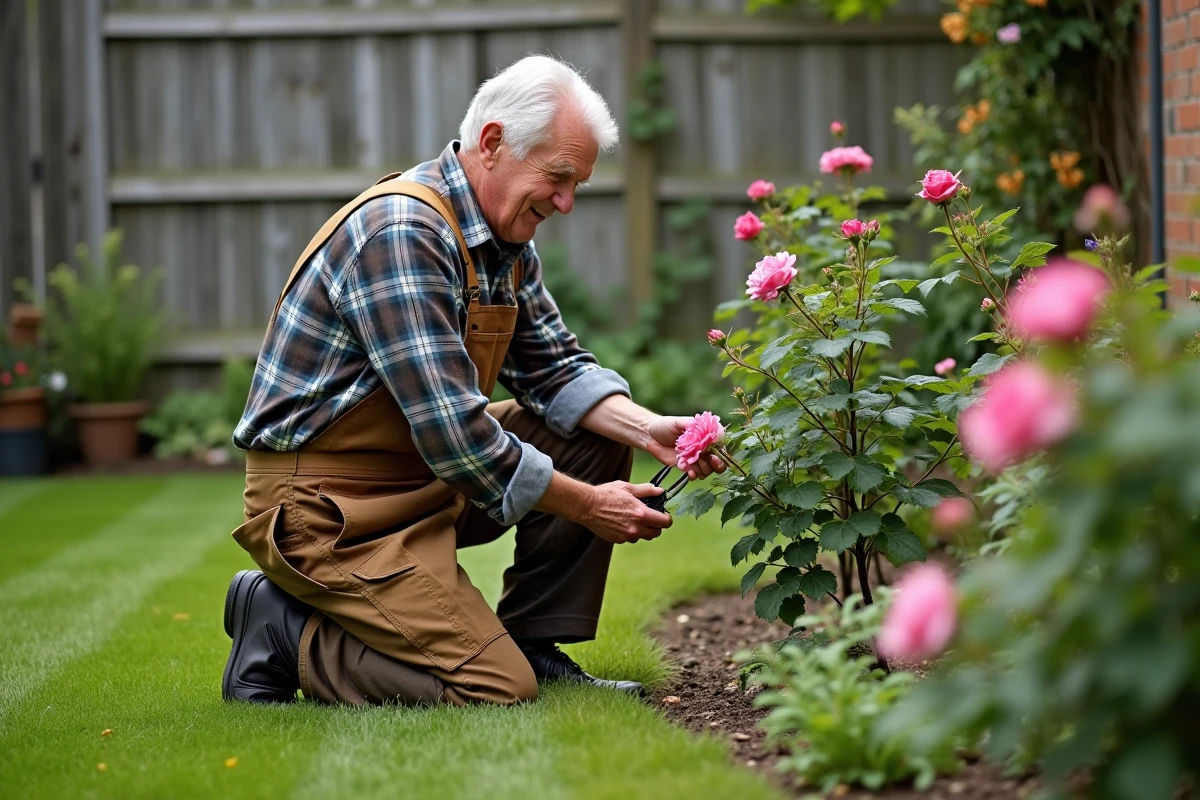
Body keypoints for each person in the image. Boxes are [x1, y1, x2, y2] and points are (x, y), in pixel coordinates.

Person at [221, 54, 724, 708]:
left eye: (579, 185)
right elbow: (457, 435)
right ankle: (286, 628)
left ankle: (535, 642)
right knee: (491, 685)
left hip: (421, 480)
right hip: (330, 509)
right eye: (560, 177)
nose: (568, 203)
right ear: (492, 144)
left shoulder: (503, 244)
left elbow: (555, 369)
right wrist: (590, 506)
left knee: (585, 428)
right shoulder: (402, 232)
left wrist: (648, 427)